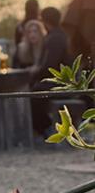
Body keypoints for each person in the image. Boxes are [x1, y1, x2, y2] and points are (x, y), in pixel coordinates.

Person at [30, 7, 71, 135]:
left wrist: (34, 74)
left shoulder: (55, 38)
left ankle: (43, 129)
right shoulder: (61, 35)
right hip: (65, 81)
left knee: (33, 93)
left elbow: (50, 66)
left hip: (61, 83)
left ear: (44, 20)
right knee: (34, 89)